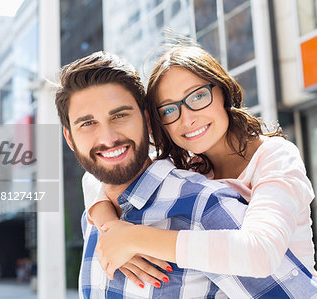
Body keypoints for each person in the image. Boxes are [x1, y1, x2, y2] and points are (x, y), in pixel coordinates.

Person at [55, 50, 317, 298]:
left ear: (223, 91)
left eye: (198, 96)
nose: (188, 119)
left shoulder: (273, 156)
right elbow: (100, 175)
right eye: (169, 109)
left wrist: (133, 238)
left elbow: (260, 252)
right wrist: (109, 226)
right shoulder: (190, 163)